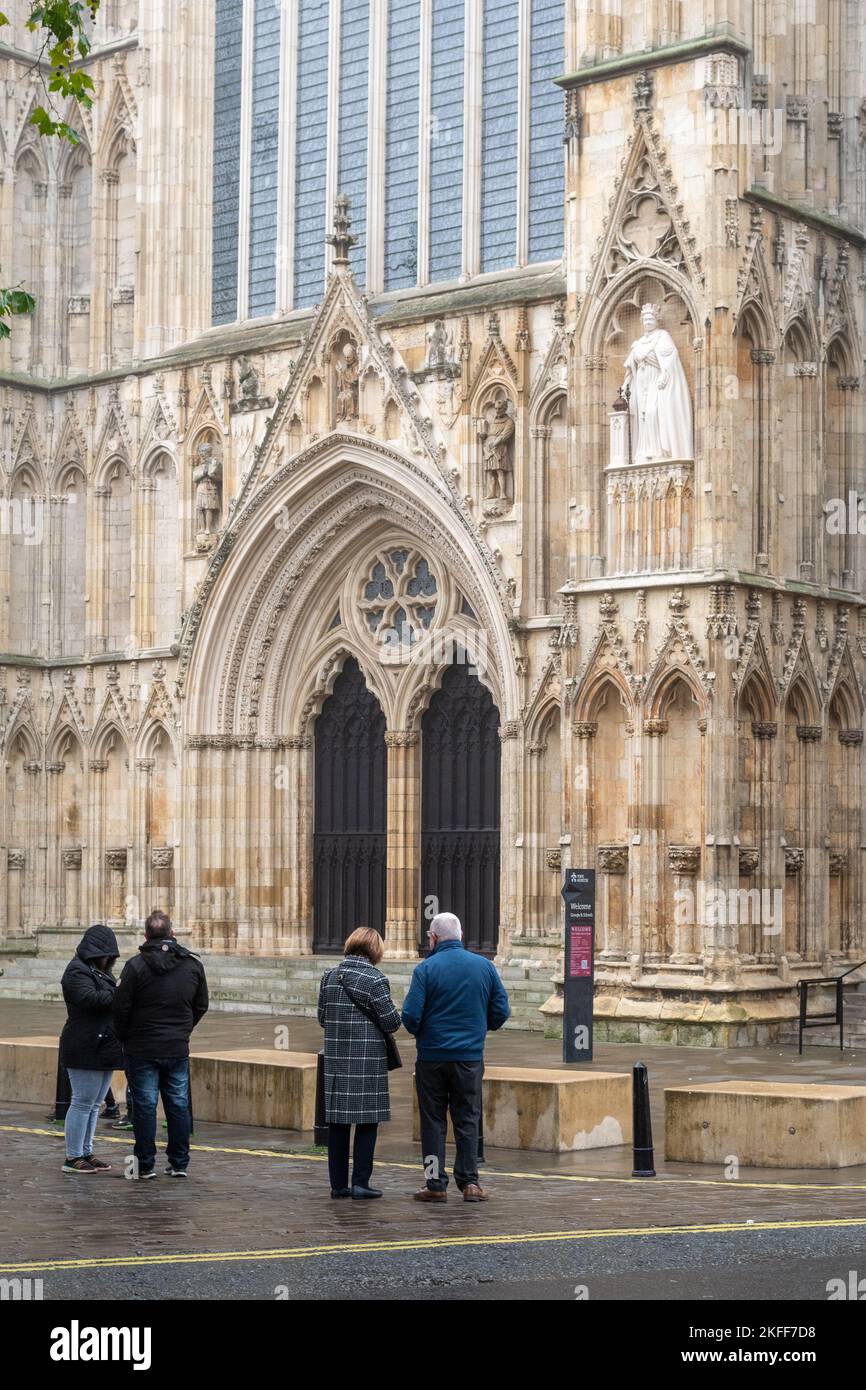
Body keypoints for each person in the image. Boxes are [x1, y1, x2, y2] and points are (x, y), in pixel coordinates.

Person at [401, 912, 510, 1203]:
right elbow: (501, 1010)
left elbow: (410, 1016)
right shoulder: (484, 967)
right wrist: (479, 1028)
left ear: (433, 937)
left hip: (432, 1057)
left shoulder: (425, 969)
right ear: (460, 936)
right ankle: (470, 1182)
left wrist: (426, 1033)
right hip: (469, 1057)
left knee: (433, 1121)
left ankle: (435, 1183)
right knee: (468, 1119)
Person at [112, 910, 208, 1179]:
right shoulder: (192, 965)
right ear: (172, 933)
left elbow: (120, 1008)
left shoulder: (135, 966)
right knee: (177, 1105)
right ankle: (179, 1163)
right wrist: (183, 1029)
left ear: (145, 936)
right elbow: (201, 1005)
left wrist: (126, 1037)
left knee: (144, 1106)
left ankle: (144, 1165)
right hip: (176, 1047)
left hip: (142, 1048)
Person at [317, 927, 401, 1200]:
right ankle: (361, 1183)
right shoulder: (375, 979)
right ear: (374, 950)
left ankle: (338, 1185)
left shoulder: (329, 977)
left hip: (336, 1061)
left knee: (338, 1124)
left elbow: (322, 1018)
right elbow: (391, 1022)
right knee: (367, 1122)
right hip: (367, 1062)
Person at [59, 923, 124, 1174]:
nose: (108, 958)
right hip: (83, 1044)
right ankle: (73, 1156)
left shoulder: (100, 973)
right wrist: (119, 992)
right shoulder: (77, 971)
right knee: (82, 1101)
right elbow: (89, 1000)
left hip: (103, 1044)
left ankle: (85, 1151)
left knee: (96, 1103)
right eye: (104, 954)